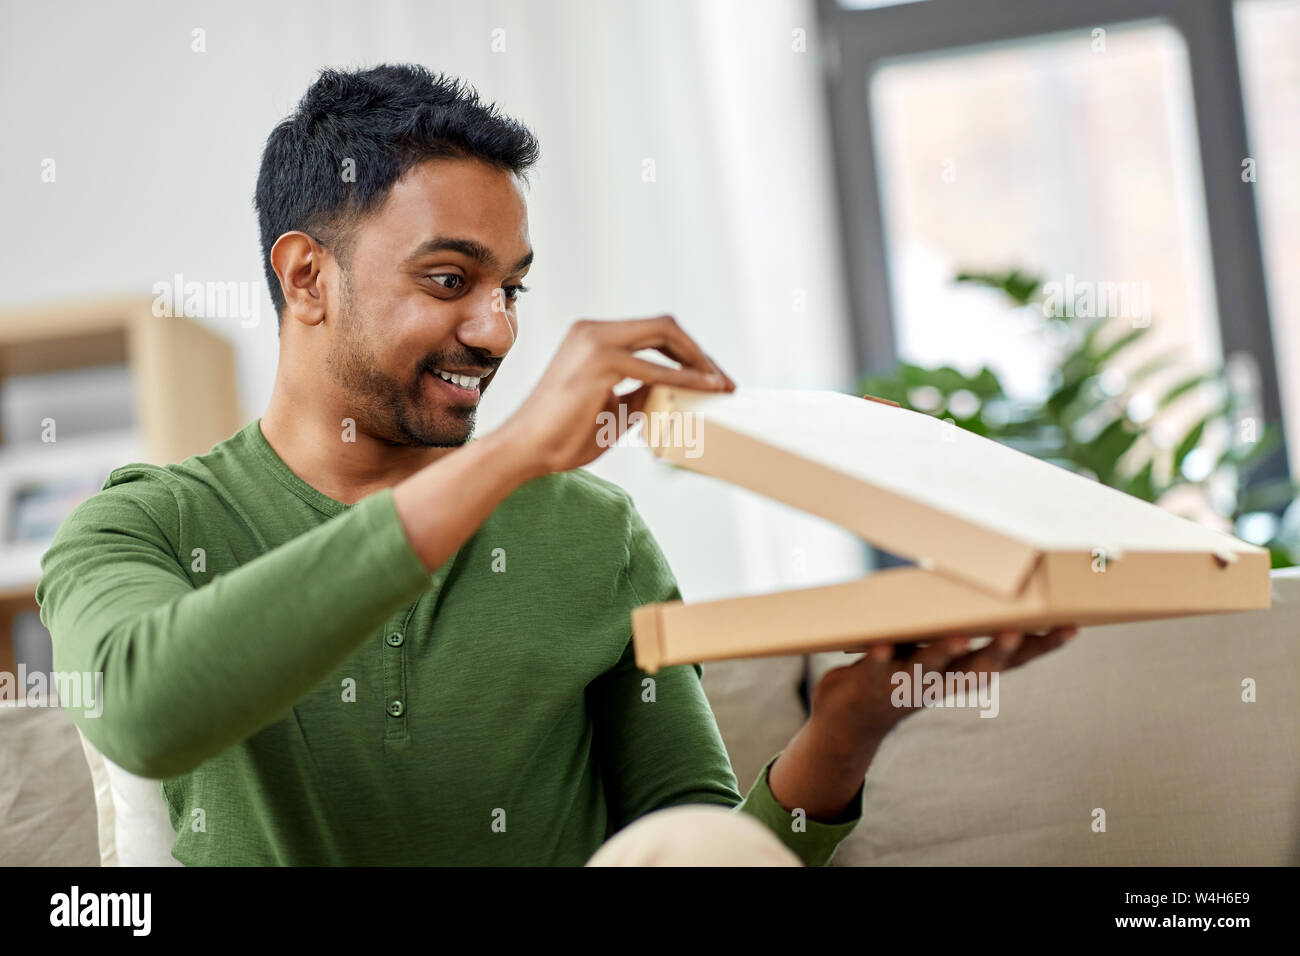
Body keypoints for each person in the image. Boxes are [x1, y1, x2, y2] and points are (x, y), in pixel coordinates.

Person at [36, 64, 1074, 866]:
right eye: (450, 278)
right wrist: (518, 452)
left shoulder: (589, 533)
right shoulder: (144, 527)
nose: (494, 330)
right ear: (307, 276)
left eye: (513, 289)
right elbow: (146, 706)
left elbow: (694, 848)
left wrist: (845, 733)